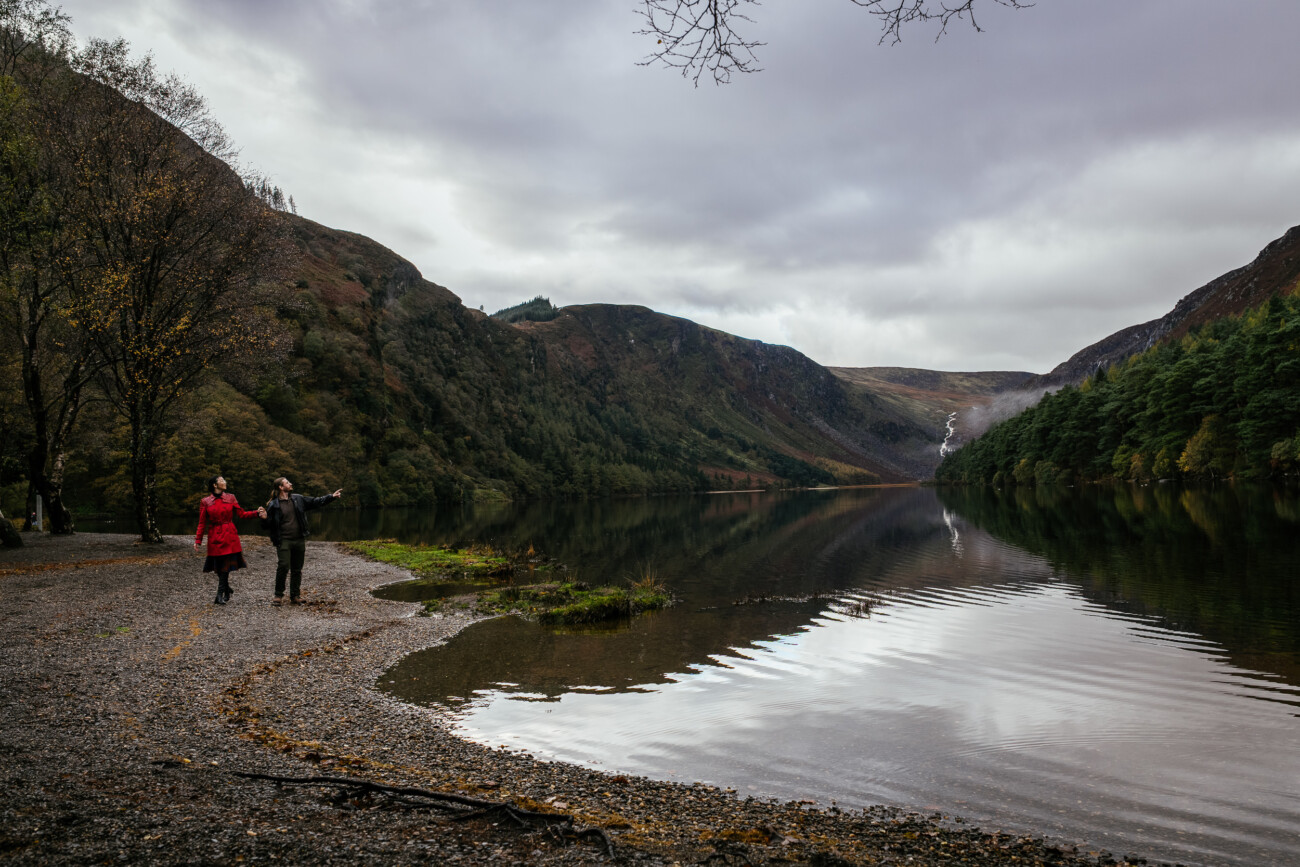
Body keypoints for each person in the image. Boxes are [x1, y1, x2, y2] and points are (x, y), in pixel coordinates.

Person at [262, 477, 342, 604]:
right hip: (284, 540)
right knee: (283, 566)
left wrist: (331, 496)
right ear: (281, 487)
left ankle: (295, 596)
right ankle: (278, 595)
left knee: (297, 568)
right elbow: (267, 526)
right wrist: (264, 518)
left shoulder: (298, 499)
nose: (291, 483)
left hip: (299, 539)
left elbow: (316, 501)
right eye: (287, 482)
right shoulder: (273, 504)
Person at [194, 476, 266, 605]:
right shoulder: (205, 501)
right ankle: (227, 589)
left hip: (229, 535)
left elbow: (242, 514)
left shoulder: (231, 497)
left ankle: (219, 595)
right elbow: (202, 522)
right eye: (222, 481)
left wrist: (256, 513)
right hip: (215, 535)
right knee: (218, 567)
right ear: (215, 485)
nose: (225, 482)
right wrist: (198, 540)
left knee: (225, 566)